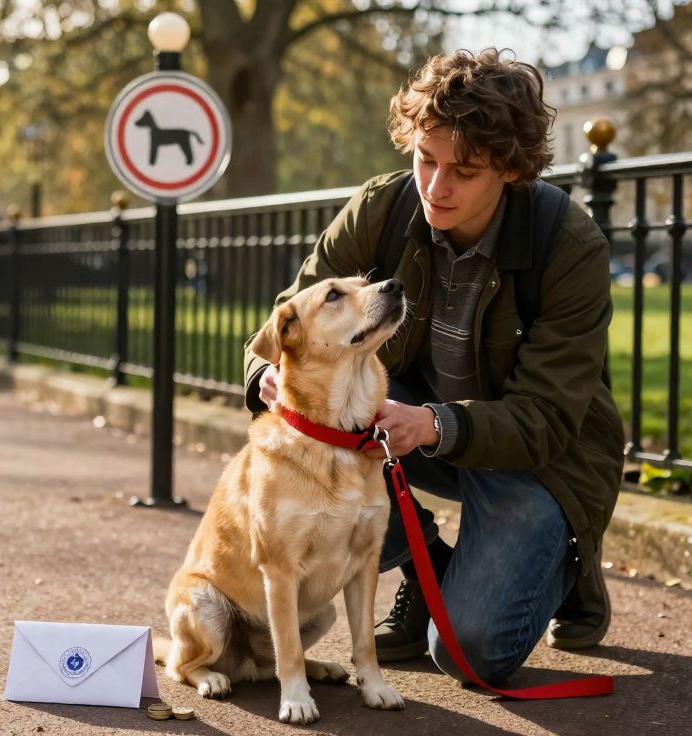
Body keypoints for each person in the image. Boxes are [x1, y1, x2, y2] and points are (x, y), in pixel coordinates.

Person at [242, 49, 624, 687]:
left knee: (469, 655)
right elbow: (289, 319)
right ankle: (427, 572)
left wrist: (432, 423)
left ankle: (565, 563)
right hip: (411, 425)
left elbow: (550, 418)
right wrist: (269, 380)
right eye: (426, 159)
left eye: (464, 170)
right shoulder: (383, 209)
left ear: (508, 168)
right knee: (296, 430)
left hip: (537, 455)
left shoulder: (569, 245)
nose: (436, 187)